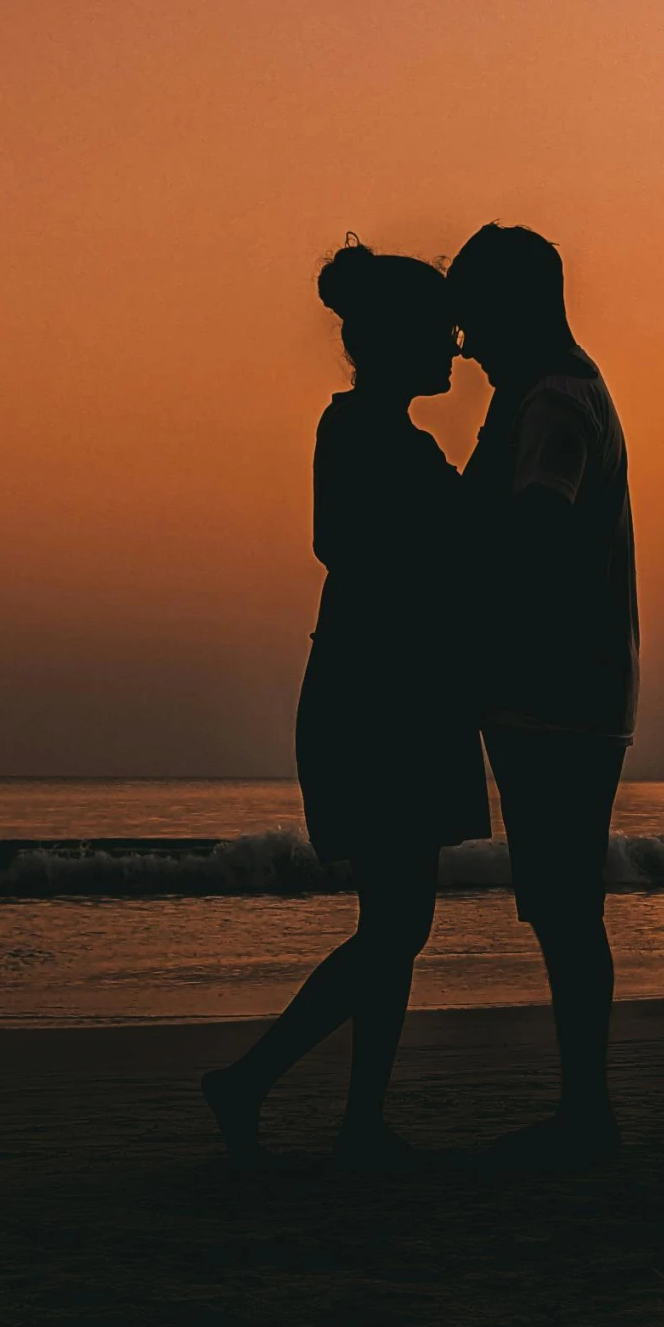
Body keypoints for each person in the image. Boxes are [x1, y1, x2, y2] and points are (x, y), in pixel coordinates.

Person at [203, 240, 489, 1169]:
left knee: (395, 923)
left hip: (394, 689)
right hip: (379, 696)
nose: (455, 348)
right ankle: (258, 1081)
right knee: (398, 922)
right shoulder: (362, 432)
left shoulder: (392, 437)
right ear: (399, 339)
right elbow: (352, 548)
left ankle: (356, 1117)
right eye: (441, 333)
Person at [449, 224, 638, 1168]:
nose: (466, 344)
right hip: (576, 685)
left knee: (562, 906)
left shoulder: (553, 403)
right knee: (566, 905)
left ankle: (584, 1114)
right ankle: (584, 1107)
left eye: (474, 321)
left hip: (552, 689)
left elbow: (536, 523)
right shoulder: (563, 390)